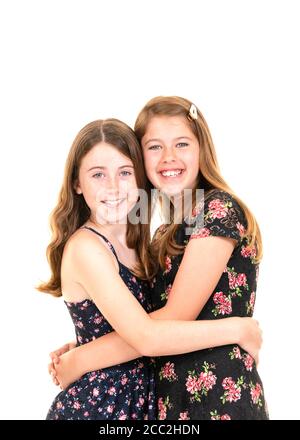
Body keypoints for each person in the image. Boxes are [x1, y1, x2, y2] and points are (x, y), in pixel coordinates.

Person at [44, 111, 264, 420]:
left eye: (124, 172)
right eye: (97, 174)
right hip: (110, 405)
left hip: (181, 398)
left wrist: (84, 353)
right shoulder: (89, 247)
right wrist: (237, 328)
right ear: (77, 183)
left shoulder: (177, 227)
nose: (113, 186)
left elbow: (152, 324)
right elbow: (148, 333)